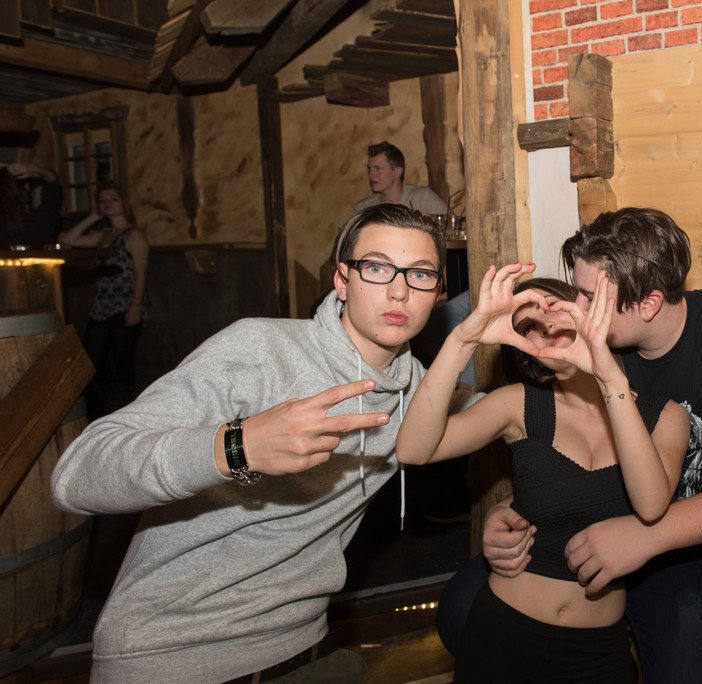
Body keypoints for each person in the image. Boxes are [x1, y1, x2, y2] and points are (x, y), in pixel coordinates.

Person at [51, 204, 449, 683]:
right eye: (377, 267)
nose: (400, 290)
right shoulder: (259, 350)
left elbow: (494, 411)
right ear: (342, 280)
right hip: (170, 653)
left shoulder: (417, 390)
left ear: (437, 293)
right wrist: (237, 447)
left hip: (303, 643)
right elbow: (76, 475)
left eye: (420, 274)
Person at [439, 207, 702, 683]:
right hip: (593, 524)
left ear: (648, 304)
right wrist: (514, 512)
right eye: (576, 290)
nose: (575, 309)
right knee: (460, 610)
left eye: (588, 296)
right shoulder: (586, 343)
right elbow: (553, 444)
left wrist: (648, 536)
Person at [397, 267, 688, 683]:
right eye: (527, 327)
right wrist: (464, 339)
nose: (544, 326)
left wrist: (608, 376)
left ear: (585, 310)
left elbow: (651, 504)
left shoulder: (666, 417)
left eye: (551, 307)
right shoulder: (518, 404)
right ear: (526, 352)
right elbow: (414, 449)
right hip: (502, 638)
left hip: (596, 654)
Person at [59, 183, 150, 419]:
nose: (107, 203)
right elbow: (68, 239)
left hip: (125, 303)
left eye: (113, 198)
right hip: (102, 305)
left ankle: (125, 412)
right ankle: (106, 406)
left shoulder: (134, 235)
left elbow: (141, 272)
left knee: (123, 360)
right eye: (102, 199)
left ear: (124, 203)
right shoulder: (103, 236)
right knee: (90, 360)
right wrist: (93, 216)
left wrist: (135, 306)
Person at [353, 141, 448, 215]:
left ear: (397, 172)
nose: (371, 174)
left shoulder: (422, 197)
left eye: (377, 169)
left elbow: (452, 228)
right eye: (369, 169)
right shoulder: (365, 208)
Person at [0, 161, 62, 248]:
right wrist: (37, 169)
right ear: (27, 187)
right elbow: (53, 183)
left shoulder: (4, 224)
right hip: (42, 257)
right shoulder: (44, 217)